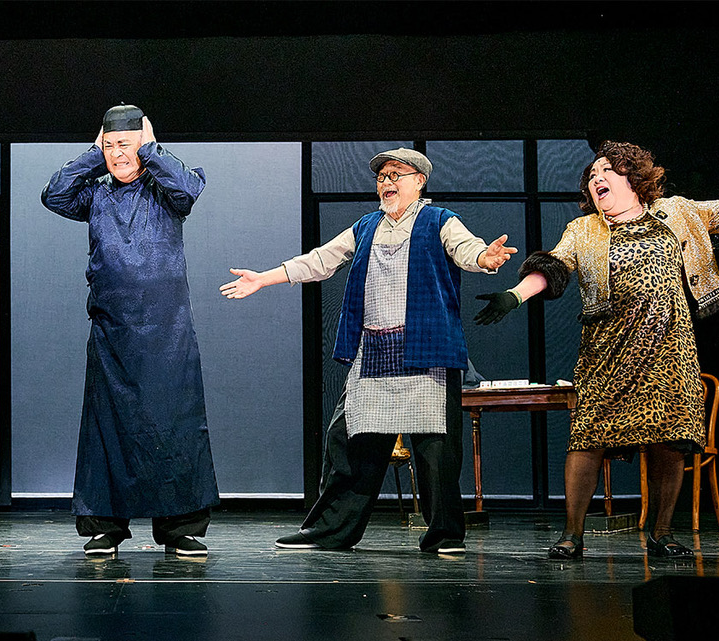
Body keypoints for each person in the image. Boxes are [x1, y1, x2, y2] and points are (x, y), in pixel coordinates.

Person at [474, 141, 719, 559]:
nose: (597, 178)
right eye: (592, 175)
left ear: (633, 177)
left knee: (671, 438)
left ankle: (662, 533)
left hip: (670, 349)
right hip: (609, 350)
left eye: (607, 170)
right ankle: (573, 534)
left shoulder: (677, 211)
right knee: (587, 438)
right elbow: (553, 267)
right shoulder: (583, 230)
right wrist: (514, 296)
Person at [221, 148, 516, 554]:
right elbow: (321, 261)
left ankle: (445, 535)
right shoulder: (365, 227)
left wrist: (486, 258)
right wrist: (265, 278)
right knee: (348, 441)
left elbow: (468, 249)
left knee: (436, 450)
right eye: (382, 177)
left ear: (419, 181)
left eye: (397, 174)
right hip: (374, 349)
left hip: (426, 351)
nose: (387, 182)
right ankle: (329, 532)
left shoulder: (440, 220)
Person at [41, 104, 219, 557]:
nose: (118, 155)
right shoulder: (96, 195)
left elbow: (188, 190)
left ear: (145, 143)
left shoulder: (167, 189)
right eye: (110, 146)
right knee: (106, 428)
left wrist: (151, 148)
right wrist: (95, 153)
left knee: (175, 424)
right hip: (111, 329)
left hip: (168, 331)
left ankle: (181, 528)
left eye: (126, 144)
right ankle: (105, 526)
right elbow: (54, 194)